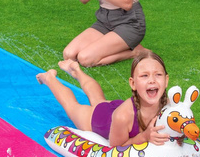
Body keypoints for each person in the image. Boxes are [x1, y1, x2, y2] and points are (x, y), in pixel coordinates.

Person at [36, 51, 172, 148]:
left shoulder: (168, 105)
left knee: (98, 100)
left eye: (158, 75)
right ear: (133, 84)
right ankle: (49, 78)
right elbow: (116, 149)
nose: (152, 81)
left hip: (118, 108)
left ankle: (77, 72)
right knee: (72, 106)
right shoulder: (123, 116)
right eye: (144, 76)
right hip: (100, 119)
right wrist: (144, 137)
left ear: (166, 80)